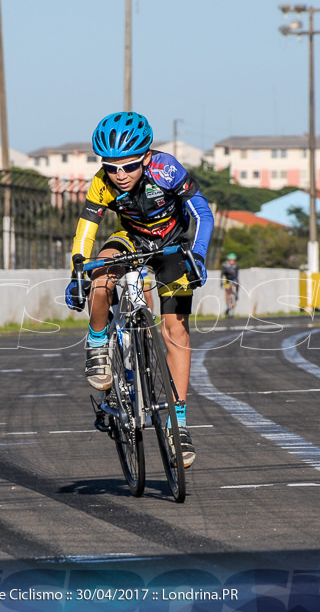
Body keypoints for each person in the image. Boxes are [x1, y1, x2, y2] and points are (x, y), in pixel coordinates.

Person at [64, 111, 213, 468]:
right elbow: (86, 229)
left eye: (128, 166)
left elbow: (202, 213)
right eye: (111, 166)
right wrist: (76, 270)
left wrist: (199, 255)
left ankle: (178, 422)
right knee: (100, 273)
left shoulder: (166, 169)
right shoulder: (103, 182)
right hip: (130, 240)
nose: (120, 175)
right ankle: (97, 342)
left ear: (146, 156)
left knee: (175, 328)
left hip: (173, 246)